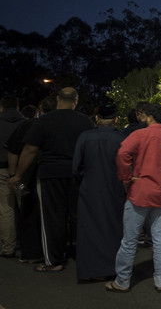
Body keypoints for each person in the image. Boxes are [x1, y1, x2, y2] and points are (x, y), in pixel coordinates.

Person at [9, 88, 94, 272]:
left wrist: (18, 174)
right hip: (76, 173)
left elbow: (30, 149)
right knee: (79, 216)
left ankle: (55, 260)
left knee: (53, 218)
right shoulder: (84, 121)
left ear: (57, 99)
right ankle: (84, 255)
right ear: (76, 101)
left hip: (50, 173)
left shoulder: (44, 121)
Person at [106, 104, 161, 293]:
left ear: (150, 117)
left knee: (130, 240)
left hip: (140, 191)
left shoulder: (140, 135)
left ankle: (123, 280)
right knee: (160, 241)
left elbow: (122, 153)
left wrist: (126, 178)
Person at [72, 104, 126, 281]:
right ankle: (113, 267)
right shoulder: (121, 138)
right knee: (114, 227)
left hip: (90, 187)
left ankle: (92, 270)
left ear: (97, 118)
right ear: (115, 119)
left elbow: (76, 167)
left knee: (90, 229)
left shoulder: (85, 137)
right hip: (115, 188)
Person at [5, 96, 56, 263]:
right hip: (50, 174)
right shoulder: (58, 125)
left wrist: (14, 175)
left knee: (27, 211)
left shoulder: (29, 125)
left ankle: (31, 252)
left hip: (27, 174)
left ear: (40, 109)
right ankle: (52, 250)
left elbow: (14, 150)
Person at [0, 95, 25, 258]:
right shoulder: (26, 123)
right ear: (17, 107)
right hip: (23, 170)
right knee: (26, 207)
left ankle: (8, 247)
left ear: (2, 106)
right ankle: (29, 244)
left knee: (6, 208)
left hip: (2, 169)